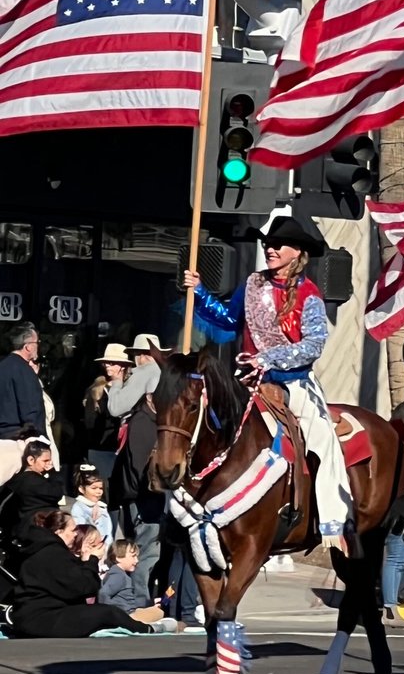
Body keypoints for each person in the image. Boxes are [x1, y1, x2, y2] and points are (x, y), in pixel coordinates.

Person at [184, 216, 352, 552]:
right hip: (246, 381)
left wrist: (268, 359)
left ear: (297, 253)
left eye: (278, 244)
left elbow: (314, 344)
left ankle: (335, 521)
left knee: (323, 439)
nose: (270, 248)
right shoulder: (251, 285)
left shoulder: (310, 295)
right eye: (268, 244)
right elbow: (229, 320)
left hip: (295, 384)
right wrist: (199, 291)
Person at [11, 509, 171, 638]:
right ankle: (148, 629)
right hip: (42, 618)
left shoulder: (38, 550)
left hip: (30, 616)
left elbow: (66, 584)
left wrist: (85, 562)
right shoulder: (53, 552)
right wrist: (92, 560)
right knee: (107, 612)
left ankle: (146, 623)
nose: (75, 534)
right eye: (73, 529)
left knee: (102, 614)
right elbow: (83, 587)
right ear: (59, 532)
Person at [108, 333, 167, 603]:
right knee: (145, 543)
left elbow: (116, 406)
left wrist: (118, 382)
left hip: (144, 483)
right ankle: (142, 596)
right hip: (153, 481)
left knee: (142, 545)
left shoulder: (146, 372)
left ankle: (139, 599)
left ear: (141, 355)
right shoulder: (165, 375)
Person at [0, 322, 46, 488]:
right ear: (27, 347)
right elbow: (30, 411)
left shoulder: (3, 367)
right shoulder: (23, 371)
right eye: (37, 343)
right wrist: (37, 441)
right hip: (18, 442)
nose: (38, 347)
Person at [81, 343, 130, 479]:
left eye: (113, 362)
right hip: (101, 448)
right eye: (106, 362)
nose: (107, 365)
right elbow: (90, 423)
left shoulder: (132, 389)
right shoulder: (97, 390)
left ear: (123, 366)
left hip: (124, 449)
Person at [3, 439, 61, 545]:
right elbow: (57, 493)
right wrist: (53, 473)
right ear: (31, 460)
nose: (49, 465)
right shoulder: (35, 481)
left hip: (19, 532)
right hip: (37, 532)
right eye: (45, 461)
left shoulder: (15, 480)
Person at [99, 539, 164, 623]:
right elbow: (103, 593)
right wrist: (111, 614)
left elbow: (131, 601)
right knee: (159, 613)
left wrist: (152, 602)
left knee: (152, 610)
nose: (136, 560)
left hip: (130, 613)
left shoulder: (119, 574)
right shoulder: (118, 576)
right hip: (127, 616)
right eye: (133, 556)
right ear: (118, 558)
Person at [69, 465, 112, 545]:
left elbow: (108, 533)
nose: (98, 492)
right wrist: (94, 521)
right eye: (94, 488)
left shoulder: (102, 507)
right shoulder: (79, 508)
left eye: (100, 488)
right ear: (81, 489)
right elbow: (81, 533)